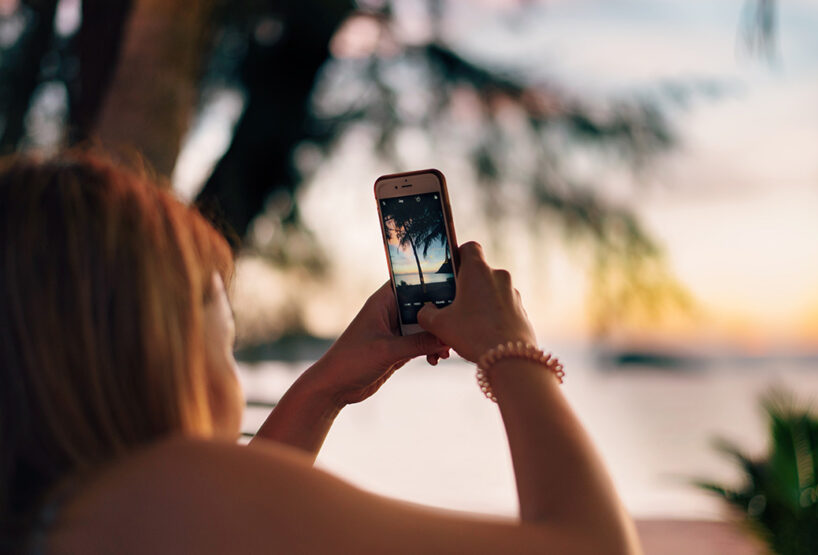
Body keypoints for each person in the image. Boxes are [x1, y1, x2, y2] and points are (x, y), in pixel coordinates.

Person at [0, 152, 642, 554]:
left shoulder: (66, 509)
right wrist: (512, 350)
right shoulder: (161, 487)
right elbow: (595, 547)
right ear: (153, 349)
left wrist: (322, 389)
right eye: (223, 339)